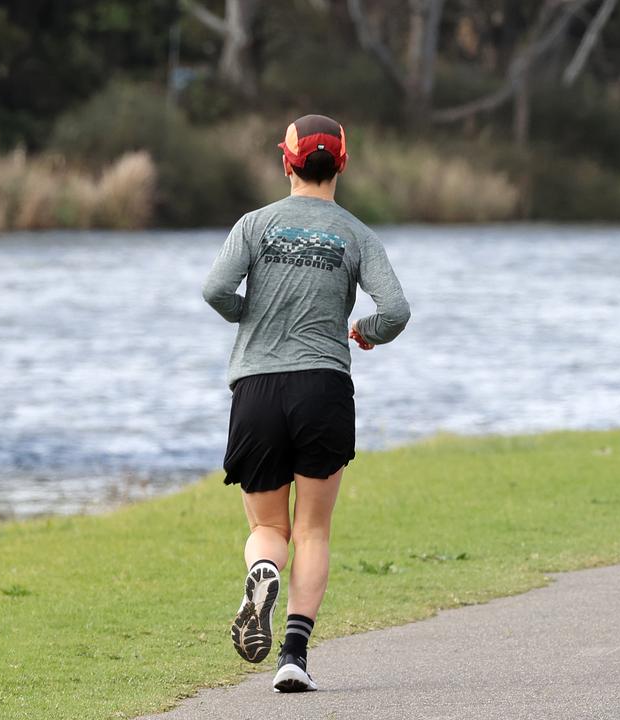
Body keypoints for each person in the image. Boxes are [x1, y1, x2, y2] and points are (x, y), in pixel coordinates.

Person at [201, 114, 410, 693]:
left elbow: (215, 289)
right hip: (322, 387)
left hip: (258, 390)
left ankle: (262, 571)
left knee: (270, 526)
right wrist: (364, 330)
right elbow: (395, 310)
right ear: (341, 163)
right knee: (314, 530)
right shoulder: (356, 233)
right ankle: (294, 656)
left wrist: (252, 316)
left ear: (285, 161)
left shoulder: (254, 224)